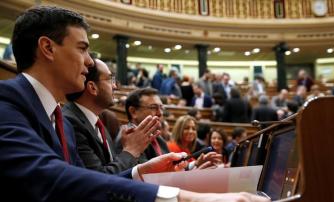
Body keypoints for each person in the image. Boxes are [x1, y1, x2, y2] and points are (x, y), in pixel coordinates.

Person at [0, 6, 270, 202]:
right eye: (82, 49)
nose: (90, 62)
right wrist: (185, 198)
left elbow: (86, 187)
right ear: (48, 48)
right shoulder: (6, 101)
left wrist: (140, 172)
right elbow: (49, 179)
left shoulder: (60, 122)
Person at [63, 58, 153, 173]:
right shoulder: (71, 122)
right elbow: (99, 180)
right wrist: (130, 150)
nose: (115, 86)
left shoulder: (97, 121)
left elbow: (111, 165)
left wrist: (125, 148)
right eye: (110, 79)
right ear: (92, 87)